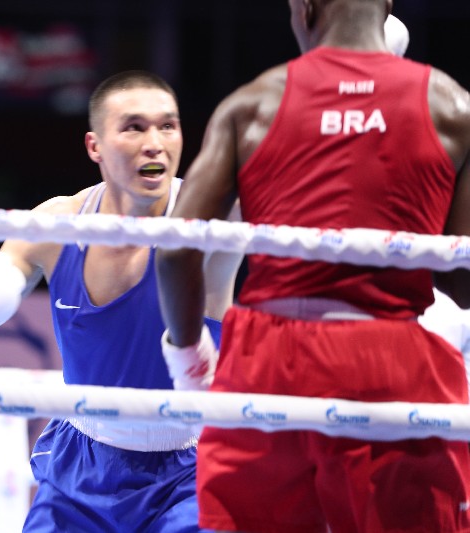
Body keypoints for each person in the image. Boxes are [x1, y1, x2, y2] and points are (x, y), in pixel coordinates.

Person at [156, 1, 470, 532]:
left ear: (304, 8)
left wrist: (189, 358)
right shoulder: (452, 106)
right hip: (390, 358)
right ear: (387, 7)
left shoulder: (253, 104)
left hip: (266, 361)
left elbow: (174, 250)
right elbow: (461, 277)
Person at [0, 70, 243, 532]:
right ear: (95, 146)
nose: (154, 144)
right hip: (82, 461)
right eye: (134, 127)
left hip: (189, 468)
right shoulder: (57, 224)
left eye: (167, 126)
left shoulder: (218, 218)